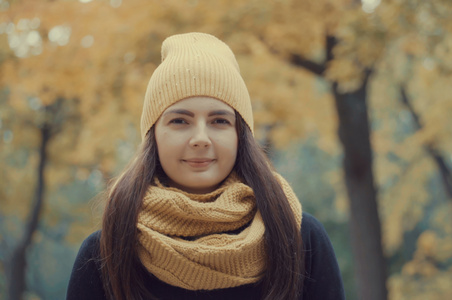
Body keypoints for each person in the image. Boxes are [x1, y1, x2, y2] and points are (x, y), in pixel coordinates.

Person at [66, 32, 345, 300]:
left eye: (219, 121)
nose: (200, 138)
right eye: (180, 121)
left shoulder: (300, 239)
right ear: (154, 136)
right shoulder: (106, 253)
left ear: (240, 136)